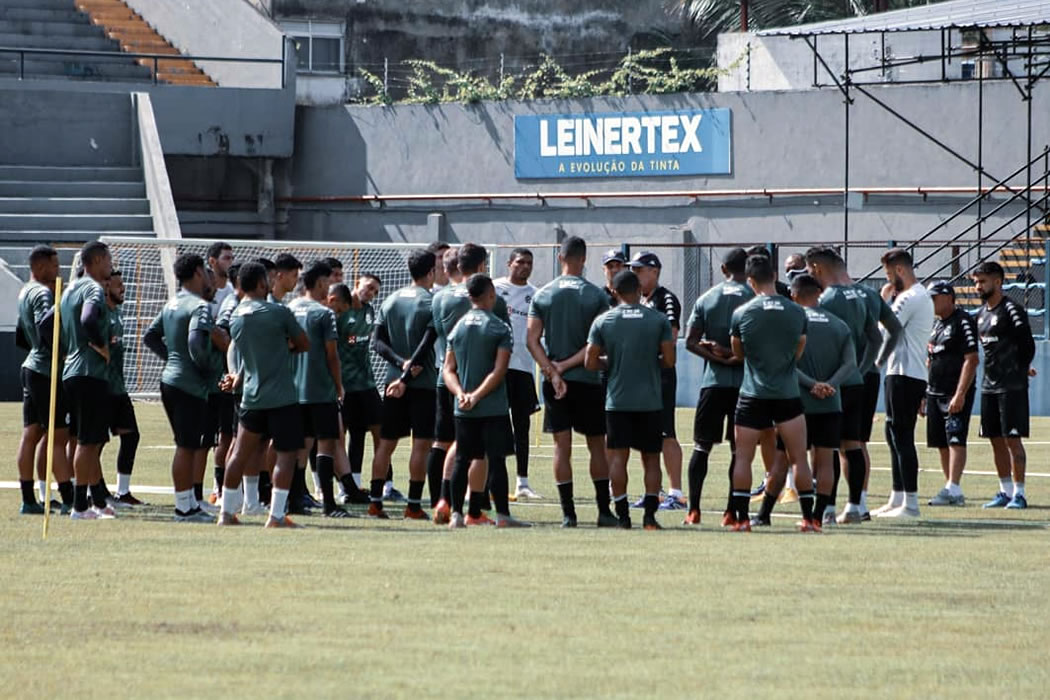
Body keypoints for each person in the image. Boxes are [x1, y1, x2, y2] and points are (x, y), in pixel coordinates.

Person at [751, 273, 856, 527]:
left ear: (794, 295)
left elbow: (784, 363)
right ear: (818, 294)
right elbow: (851, 364)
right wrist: (829, 385)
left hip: (796, 403)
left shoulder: (791, 323)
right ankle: (818, 517)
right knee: (825, 460)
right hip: (831, 402)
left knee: (783, 460)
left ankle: (764, 514)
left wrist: (811, 385)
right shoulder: (839, 325)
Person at [806, 246, 902, 521]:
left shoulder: (826, 299)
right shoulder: (868, 294)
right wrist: (874, 364)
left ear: (817, 269)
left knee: (827, 446)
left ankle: (828, 506)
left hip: (836, 379)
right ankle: (858, 505)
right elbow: (891, 330)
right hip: (865, 379)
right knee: (855, 443)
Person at [527, 235, 617, 528]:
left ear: (560, 257)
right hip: (587, 379)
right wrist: (566, 366)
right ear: (583, 259)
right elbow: (598, 343)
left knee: (560, 447)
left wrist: (553, 372)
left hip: (555, 383)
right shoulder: (596, 295)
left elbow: (531, 340)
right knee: (596, 445)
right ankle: (604, 512)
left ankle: (569, 514)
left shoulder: (543, 294)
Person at [728, 254, 817, 532]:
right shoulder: (796, 311)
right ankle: (808, 519)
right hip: (787, 393)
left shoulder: (742, 313)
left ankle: (742, 520)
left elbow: (737, 351)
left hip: (753, 392)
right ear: (775, 275)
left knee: (743, 457)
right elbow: (798, 350)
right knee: (799, 457)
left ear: (751, 281)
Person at [218, 261, 310, 527]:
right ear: (261, 284)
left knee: (239, 454)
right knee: (286, 454)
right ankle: (277, 515)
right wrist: (285, 347)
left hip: (251, 395)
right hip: (281, 395)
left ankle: (226, 513)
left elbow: (245, 352)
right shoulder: (277, 312)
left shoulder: (235, 315)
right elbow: (303, 343)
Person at [585, 269, 675, 530]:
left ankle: (623, 516)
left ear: (614, 291)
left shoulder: (604, 321)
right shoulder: (657, 320)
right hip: (650, 401)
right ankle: (649, 517)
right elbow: (669, 360)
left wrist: (611, 363)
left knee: (617, 459)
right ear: (639, 289)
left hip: (617, 401)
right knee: (651, 459)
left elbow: (590, 361)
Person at [143, 253, 228, 523]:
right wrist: (204, 367)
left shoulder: (172, 303)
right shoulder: (198, 306)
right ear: (197, 273)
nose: (208, 275)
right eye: (205, 270)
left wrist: (173, 360)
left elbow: (151, 336)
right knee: (186, 445)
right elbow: (195, 343)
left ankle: (190, 503)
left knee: (190, 444)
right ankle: (183, 509)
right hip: (188, 385)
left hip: (172, 381)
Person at [444, 273, 528, 528]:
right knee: (496, 460)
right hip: (492, 408)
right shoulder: (499, 327)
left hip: (464, 408)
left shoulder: (457, 327)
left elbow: (448, 369)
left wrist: (461, 394)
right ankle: (503, 516)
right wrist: (478, 396)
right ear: (491, 293)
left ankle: (456, 514)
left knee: (462, 460)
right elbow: (499, 370)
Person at [683, 247, 753, 526]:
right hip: (745, 385)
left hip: (713, 383)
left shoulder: (706, 298)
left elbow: (690, 341)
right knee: (740, 452)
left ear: (723, 269)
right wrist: (735, 357)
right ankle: (731, 512)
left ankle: (694, 510)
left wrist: (716, 358)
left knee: (701, 447)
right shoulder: (753, 298)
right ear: (747, 270)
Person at [367, 249, 439, 520]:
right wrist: (408, 374)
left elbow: (377, 343)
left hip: (390, 383)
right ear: (431, 271)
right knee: (421, 445)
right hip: (422, 384)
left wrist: (399, 364)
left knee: (385, 445)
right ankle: (413, 506)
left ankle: (375, 503)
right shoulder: (432, 302)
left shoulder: (390, 300)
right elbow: (427, 344)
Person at [872, 248, 934, 519]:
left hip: (906, 374)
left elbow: (886, 328)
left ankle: (910, 503)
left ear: (899, 270)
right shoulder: (916, 296)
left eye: (888, 273)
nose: (888, 279)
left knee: (903, 436)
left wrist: (882, 301)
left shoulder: (910, 297)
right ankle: (897, 497)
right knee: (893, 433)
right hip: (901, 372)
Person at [15, 245, 74, 515]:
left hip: (31, 367)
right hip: (46, 371)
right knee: (58, 436)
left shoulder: (24, 291)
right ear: (39, 268)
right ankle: (70, 498)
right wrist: (60, 352)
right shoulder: (41, 293)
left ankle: (30, 498)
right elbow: (44, 326)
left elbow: (20, 335)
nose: (58, 271)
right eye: (54, 266)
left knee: (33, 434)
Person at [973, 261, 1036, 510]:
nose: (978, 286)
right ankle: (1004, 491)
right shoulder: (981, 315)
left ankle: (1019, 494)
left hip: (1012, 388)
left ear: (998, 282)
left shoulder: (1012, 310)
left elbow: (1027, 345)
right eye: (976, 282)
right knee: (995, 440)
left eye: (983, 281)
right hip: (989, 386)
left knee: (1012, 440)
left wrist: (1020, 370)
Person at [60, 241, 116, 520]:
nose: (111, 265)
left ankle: (97, 501)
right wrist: (99, 345)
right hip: (88, 372)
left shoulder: (69, 289)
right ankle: (79, 506)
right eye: (108, 260)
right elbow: (88, 319)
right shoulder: (93, 288)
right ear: (95, 261)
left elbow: (48, 324)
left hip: (72, 370)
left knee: (92, 441)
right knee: (86, 441)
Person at [289, 261, 349, 517]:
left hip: (293, 390)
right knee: (325, 444)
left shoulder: (288, 309)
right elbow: (331, 355)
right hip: (320, 388)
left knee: (300, 446)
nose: (328, 288)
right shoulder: (323, 313)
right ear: (318, 283)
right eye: (326, 282)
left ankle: (295, 501)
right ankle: (329, 505)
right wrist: (338, 386)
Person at [629, 250, 685, 511]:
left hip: (660, 373)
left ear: (654, 271)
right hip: (641, 374)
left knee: (666, 433)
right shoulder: (638, 300)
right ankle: (655, 491)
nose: (635, 274)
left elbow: (671, 336)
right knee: (645, 435)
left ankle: (677, 493)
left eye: (639, 270)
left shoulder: (666, 299)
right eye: (633, 270)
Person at [924, 282, 979, 507]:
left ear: (948, 297)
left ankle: (954, 488)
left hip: (953, 391)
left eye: (935, 297)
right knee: (941, 442)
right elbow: (931, 360)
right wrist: (923, 394)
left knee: (955, 437)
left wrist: (960, 393)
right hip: (934, 391)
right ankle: (950, 487)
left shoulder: (962, 321)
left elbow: (972, 359)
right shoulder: (936, 325)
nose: (931, 302)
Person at [329, 274, 382, 503]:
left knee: (378, 430)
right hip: (345, 384)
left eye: (375, 291)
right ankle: (343, 487)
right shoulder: (339, 312)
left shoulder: (369, 312)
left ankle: (378, 484)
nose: (370, 293)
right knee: (341, 436)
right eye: (369, 287)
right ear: (356, 284)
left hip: (367, 383)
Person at [494, 248, 542, 501]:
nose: (525, 266)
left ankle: (522, 482)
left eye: (529, 263)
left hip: (523, 368)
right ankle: (493, 479)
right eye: (520, 262)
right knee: (496, 424)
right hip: (497, 368)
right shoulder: (494, 288)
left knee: (522, 426)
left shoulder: (535, 295)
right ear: (509, 263)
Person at [426, 247, 466, 512]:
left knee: (440, 440)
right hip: (467, 376)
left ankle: (436, 500)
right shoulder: (473, 296)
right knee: (468, 441)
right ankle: (471, 501)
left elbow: (433, 334)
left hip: (442, 374)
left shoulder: (438, 298)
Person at [102, 269, 144, 506]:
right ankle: (93, 490)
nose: (123, 289)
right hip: (101, 388)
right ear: (107, 287)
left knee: (131, 436)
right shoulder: (99, 313)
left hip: (119, 388)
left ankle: (123, 491)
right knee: (94, 442)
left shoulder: (117, 313)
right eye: (119, 285)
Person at [210, 262, 243, 504]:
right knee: (228, 437)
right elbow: (220, 333)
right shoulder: (232, 304)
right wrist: (233, 371)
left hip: (235, 379)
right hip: (230, 382)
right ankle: (220, 488)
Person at [207, 241, 235, 314]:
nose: (231, 262)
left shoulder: (234, 290)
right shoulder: (202, 292)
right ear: (212, 261)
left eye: (232, 258)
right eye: (227, 258)